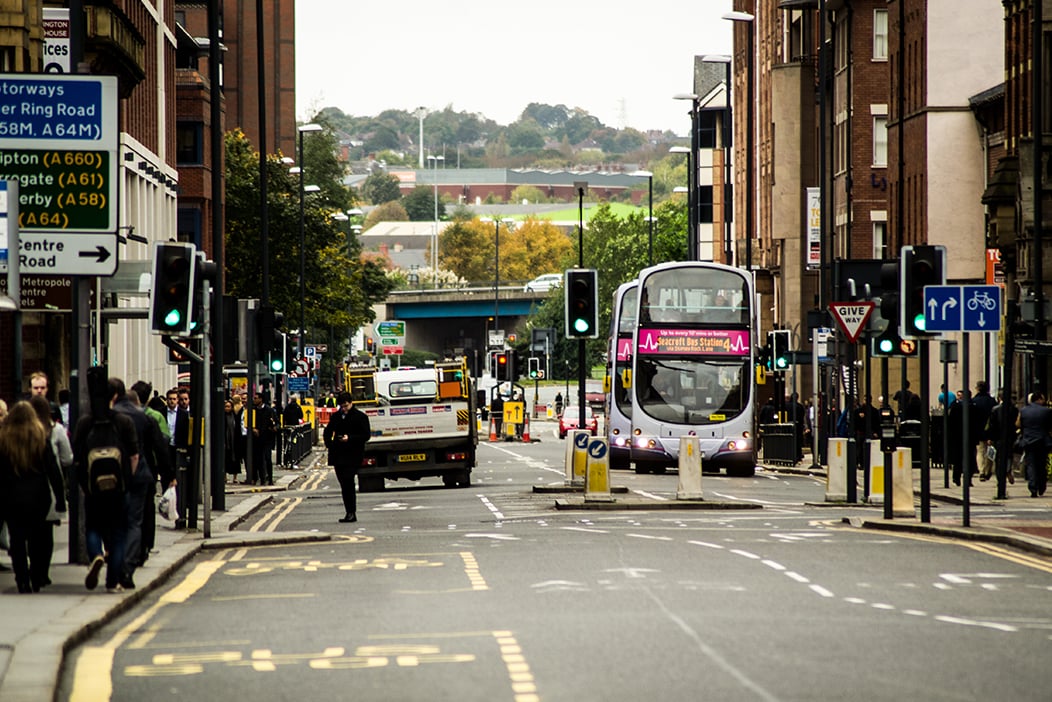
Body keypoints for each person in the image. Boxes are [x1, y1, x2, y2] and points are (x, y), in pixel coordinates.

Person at [72, 376, 139, 593]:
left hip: (93, 489)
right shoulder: (123, 422)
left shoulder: (85, 423)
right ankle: (112, 583)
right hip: (119, 489)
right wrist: (127, 481)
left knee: (93, 527)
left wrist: (84, 484)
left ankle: (96, 556)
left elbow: (77, 457)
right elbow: (134, 456)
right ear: (115, 397)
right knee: (118, 534)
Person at [0, 401, 66, 593]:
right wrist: (60, 498)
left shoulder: (3, 438)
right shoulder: (40, 437)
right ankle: (36, 575)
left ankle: (22, 579)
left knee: (17, 539)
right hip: (38, 495)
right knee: (37, 537)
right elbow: (53, 469)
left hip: (11, 496)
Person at [113, 386, 169, 589]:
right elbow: (160, 449)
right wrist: (169, 477)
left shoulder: (107, 417)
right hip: (140, 475)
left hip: (111, 477)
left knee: (116, 522)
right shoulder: (145, 418)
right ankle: (129, 565)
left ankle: (113, 564)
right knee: (135, 522)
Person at [323, 391, 371, 523]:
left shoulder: (360, 417)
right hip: (338, 454)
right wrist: (330, 444)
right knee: (344, 484)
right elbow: (328, 432)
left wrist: (350, 438)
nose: (344, 409)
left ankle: (351, 512)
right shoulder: (336, 417)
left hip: (353, 454)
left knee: (348, 481)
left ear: (351, 403)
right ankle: (348, 512)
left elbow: (366, 435)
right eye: (342, 406)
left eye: (346, 406)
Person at [1016, 392, 1052, 498]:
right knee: (1042, 464)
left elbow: (1018, 424)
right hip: (1043, 441)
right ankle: (1042, 486)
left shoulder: (1023, 410)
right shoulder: (1047, 411)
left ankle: (1033, 487)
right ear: (1040, 399)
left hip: (1028, 441)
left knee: (1031, 465)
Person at [986, 390, 1019, 499]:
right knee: (1009, 456)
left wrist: (990, 438)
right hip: (1011, 438)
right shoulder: (1014, 410)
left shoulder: (995, 410)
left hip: (998, 439)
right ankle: (1008, 471)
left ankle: (1001, 480)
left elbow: (992, 425)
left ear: (999, 398)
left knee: (999, 459)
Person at [971, 380, 998, 482]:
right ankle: (988, 470)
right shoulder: (992, 401)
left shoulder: (974, 401)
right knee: (990, 450)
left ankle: (981, 471)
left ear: (978, 388)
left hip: (978, 429)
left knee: (980, 451)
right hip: (990, 430)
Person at [249, 393, 277, 485]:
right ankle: (258, 478)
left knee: (267, 459)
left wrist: (275, 428)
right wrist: (253, 429)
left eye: (256, 398)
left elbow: (276, 422)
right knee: (257, 460)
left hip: (267, 439)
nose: (254, 400)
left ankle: (270, 479)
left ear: (261, 399)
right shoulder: (252, 410)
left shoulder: (269, 410)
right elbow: (247, 422)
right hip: (256, 439)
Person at [223, 399, 243, 483]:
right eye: (226, 407)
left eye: (229, 406)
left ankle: (235, 477)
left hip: (234, 441)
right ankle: (224, 477)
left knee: (235, 459)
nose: (227, 408)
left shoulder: (235, 416)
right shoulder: (222, 417)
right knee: (225, 459)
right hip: (226, 441)